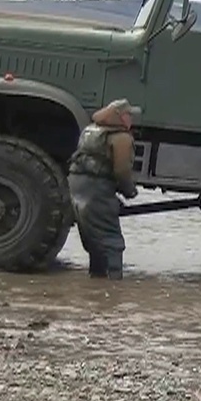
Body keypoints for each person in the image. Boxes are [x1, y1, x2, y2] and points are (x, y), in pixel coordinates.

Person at [67, 98, 140, 279]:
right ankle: (114, 284)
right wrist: (129, 191)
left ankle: (96, 278)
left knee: (93, 237)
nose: (131, 119)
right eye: (128, 115)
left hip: (76, 185)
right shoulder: (121, 138)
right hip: (97, 188)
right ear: (120, 117)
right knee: (112, 240)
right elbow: (122, 171)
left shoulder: (90, 130)